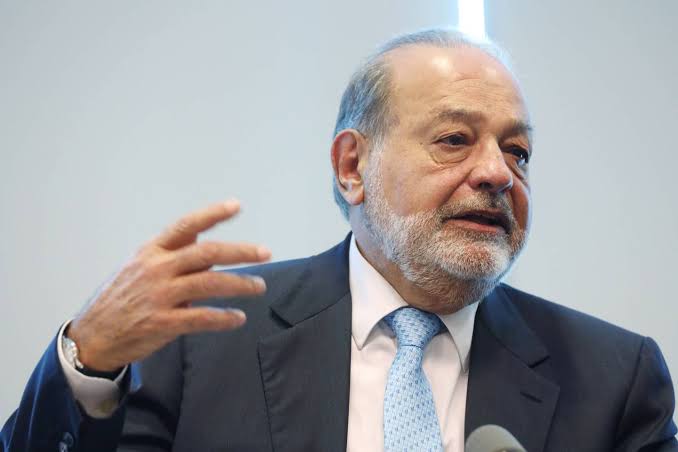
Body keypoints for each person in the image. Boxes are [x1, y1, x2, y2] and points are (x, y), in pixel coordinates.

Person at [2, 28, 676, 452]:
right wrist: (88, 362)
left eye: (518, 151)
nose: (499, 173)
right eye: (454, 140)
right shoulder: (202, 338)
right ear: (353, 166)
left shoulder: (616, 379)